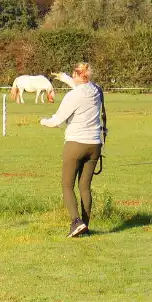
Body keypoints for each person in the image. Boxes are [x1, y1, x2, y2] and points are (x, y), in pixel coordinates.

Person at [39, 62, 106, 238]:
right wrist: (65, 78)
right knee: (85, 187)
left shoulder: (72, 96)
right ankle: (86, 225)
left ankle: (76, 222)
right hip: (95, 144)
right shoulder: (97, 91)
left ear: (77, 74)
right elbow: (81, 87)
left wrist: (43, 121)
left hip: (76, 143)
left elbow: (57, 120)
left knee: (67, 185)